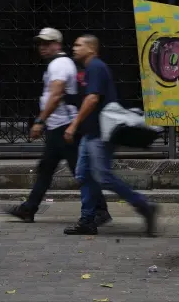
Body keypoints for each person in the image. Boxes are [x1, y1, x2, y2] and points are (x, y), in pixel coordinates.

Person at [4, 28, 111, 224]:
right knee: (47, 169)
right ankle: (29, 208)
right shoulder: (56, 63)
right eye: (40, 43)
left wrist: (39, 121)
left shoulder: (60, 64)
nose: (42, 47)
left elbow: (56, 95)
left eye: (47, 43)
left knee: (79, 171)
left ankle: (100, 210)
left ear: (57, 45)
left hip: (65, 127)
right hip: (58, 128)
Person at [63, 35, 158, 236]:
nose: (74, 48)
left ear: (91, 48)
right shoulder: (90, 68)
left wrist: (74, 125)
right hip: (90, 133)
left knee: (103, 176)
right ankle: (87, 220)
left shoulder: (95, 66)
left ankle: (144, 206)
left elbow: (92, 98)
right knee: (84, 174)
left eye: (78, 44)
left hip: (100, 135)